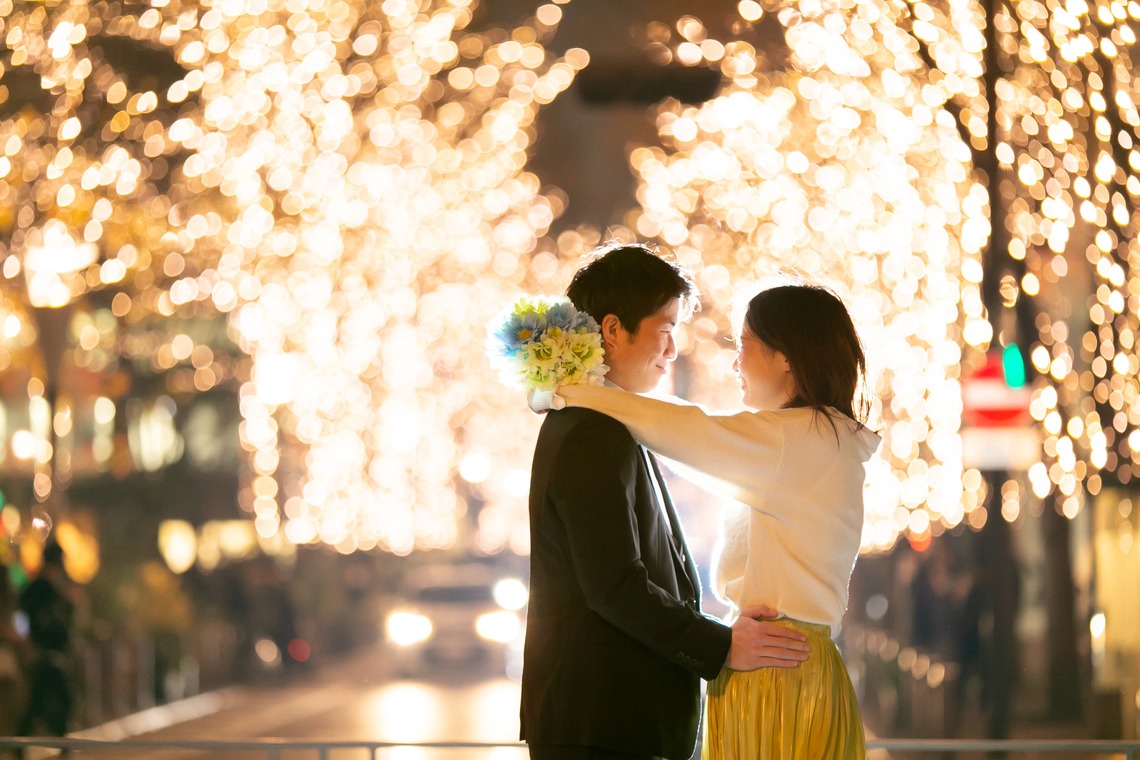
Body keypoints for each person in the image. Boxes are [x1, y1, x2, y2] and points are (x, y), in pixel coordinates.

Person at [550, 280, 881, 759]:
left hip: (778, 672)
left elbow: (682, 428)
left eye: (744, 346)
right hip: (782, 663)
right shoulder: (810, 439)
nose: (735, 363)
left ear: (785, 357)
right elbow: (690, 428)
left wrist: (570, 390)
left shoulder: (798, 440)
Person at [521, 244, 812, 760]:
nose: (672, 351)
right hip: (604, 726)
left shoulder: (608, 423)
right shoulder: (591, 432)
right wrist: (722, 646)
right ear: (612, 330)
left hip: (611, 724)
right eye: (665, 329)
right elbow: (614, 585)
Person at [18, 542, 75, 737]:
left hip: (52, 651)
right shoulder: (39, 589)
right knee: (50, 696)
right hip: (42, 651)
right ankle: (55, 737)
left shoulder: (56, 588)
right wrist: (27, 642)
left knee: (41, 698)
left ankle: (26, 739)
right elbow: (24, 617)